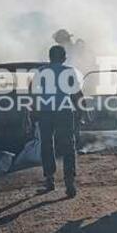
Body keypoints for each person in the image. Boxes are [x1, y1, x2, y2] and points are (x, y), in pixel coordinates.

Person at [32, 45, 82, 198]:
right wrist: (81, 112)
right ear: (63, 57)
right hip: (64, 112)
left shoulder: (41, 71)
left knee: (47, 145)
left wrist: (33, 112)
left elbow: (33, 93)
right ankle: (69, 183)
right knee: (68, 145)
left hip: (45, 113)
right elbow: (76, 94)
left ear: (50, 57)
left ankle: (49, 180)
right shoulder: (68, 71)